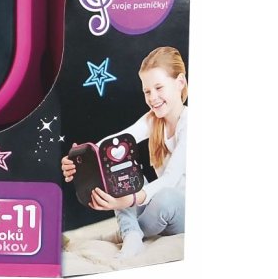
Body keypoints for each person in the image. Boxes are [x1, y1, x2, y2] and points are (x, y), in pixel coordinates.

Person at [61, 46, 187, 259]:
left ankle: (125, 233)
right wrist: (81, 157)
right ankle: (132, 235)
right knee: (122, 173)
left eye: (159, 87)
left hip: (181, 212)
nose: (153, 97)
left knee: (166, 197)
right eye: (147, 91)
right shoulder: (154, 120)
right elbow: (113, 144)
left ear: (180, 82)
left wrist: (129, 200)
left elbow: (170, 179)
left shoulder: (190, 123)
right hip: (155, 211)